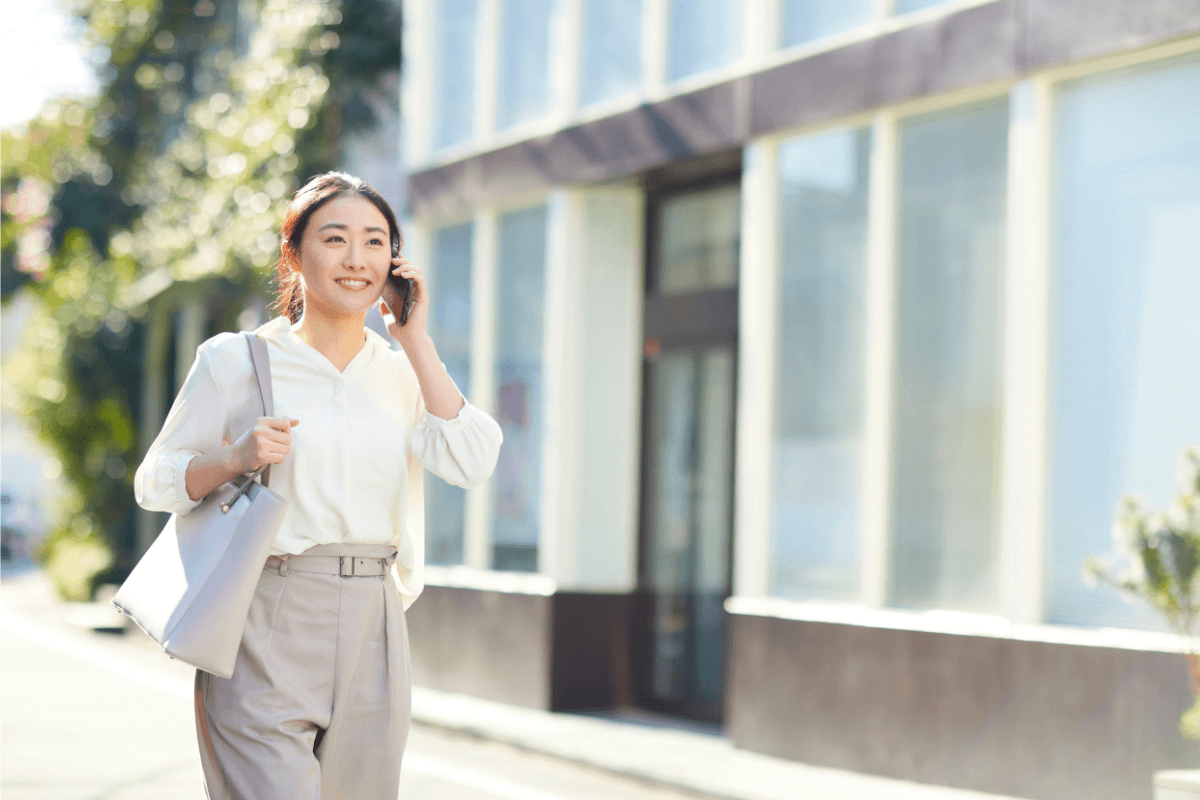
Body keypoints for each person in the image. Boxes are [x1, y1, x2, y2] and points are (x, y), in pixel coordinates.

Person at [132, 171, 502, 799]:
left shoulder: (401, 374)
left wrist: (414, 339)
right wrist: (233, 458)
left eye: (375, 242)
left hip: (375, 618)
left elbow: (471, 459)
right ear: (294, 254)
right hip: (266, 611)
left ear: (394, 261)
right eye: (335, 239)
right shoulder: (236, 361)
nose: (356, 259)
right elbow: (154, 482)